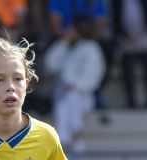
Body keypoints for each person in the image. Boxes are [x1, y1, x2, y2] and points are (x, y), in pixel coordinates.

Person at [45, 15, 105, 152]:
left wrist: (73, 85)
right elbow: (50, 64)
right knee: (66, 99)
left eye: (71, 28)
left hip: (84, 95)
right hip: (63, 94)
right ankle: (72, 139)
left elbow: (93, 77)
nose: (68, 30)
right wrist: (64, 42)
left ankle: (72, 138)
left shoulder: (92, 49)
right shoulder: (68, 47)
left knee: (72, 98)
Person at [112, 0, 147, 109]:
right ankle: (131, 99)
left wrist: (141, 35)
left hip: (144, 37)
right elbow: (116, 24)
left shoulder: (146, 2)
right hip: (125, 39)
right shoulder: (117, 2)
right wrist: (126, 35)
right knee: (126, 62)